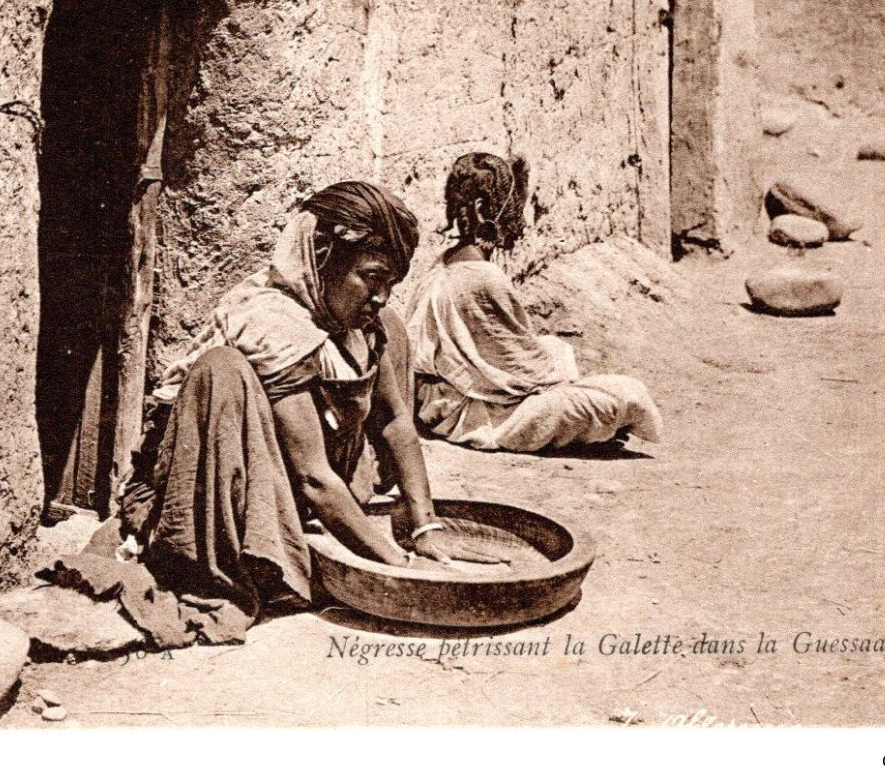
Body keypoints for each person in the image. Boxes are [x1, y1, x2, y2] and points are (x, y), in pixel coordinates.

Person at [56, 181, 469, 644]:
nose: (381, 296)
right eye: (371, 277)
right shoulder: (272, 323)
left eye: (390, 282)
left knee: (389, 325)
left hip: (305, 482)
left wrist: (426, 528)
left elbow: (395, 423)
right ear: (320, 257)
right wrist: (401, 566)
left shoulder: (363, 320)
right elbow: (314, 477)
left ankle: (295, 530)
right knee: (222, 370)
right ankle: (231, 551)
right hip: (232, 486)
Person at [407, 152, 664, 453]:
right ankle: (586, 432)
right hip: (476, 415)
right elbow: (525, 373)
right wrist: (559, 386)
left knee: (557, 348)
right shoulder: (484, 277)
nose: (520, 221)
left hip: (439, 401)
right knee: (625, 395)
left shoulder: (444, 262)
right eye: (512, 207)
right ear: (481, 210)